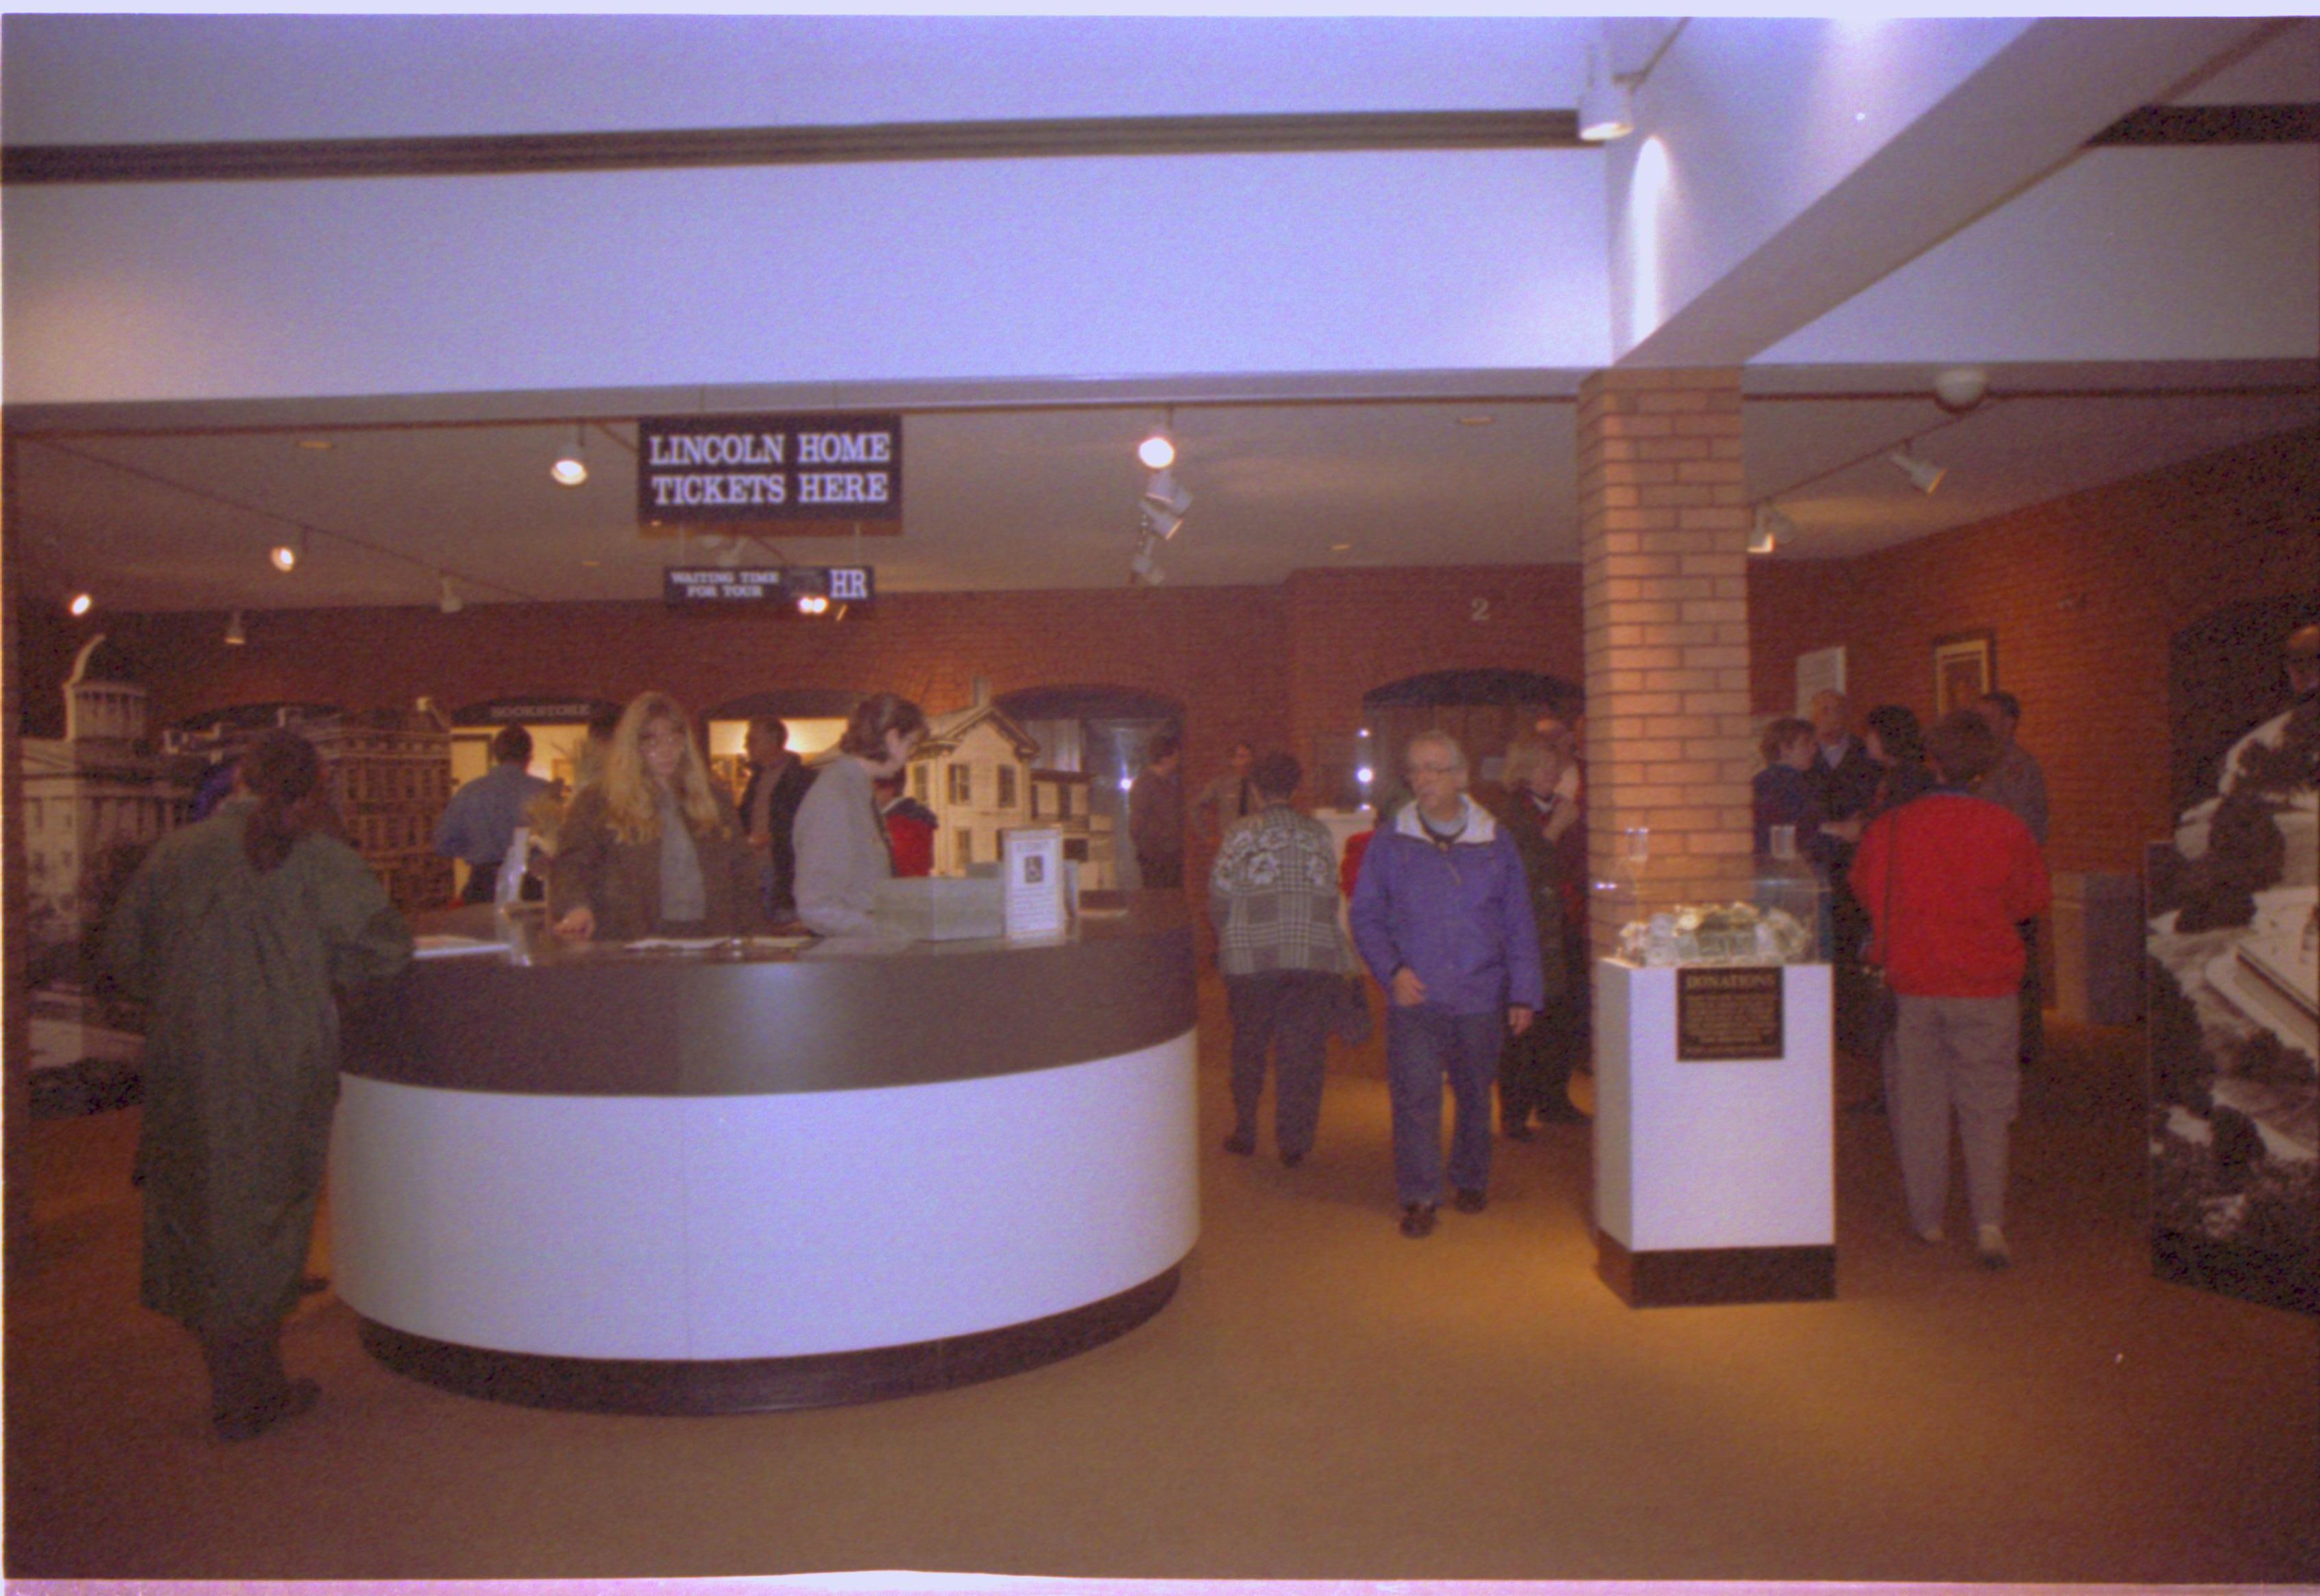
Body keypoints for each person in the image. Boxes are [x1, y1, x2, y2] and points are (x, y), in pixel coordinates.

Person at [104, 729, 413, 1441]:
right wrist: (336, 984)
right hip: (282, 1061)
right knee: (267, 1220)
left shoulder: (176, 855)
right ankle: (248, 1394)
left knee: (198, 1214)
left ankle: (245, 1381)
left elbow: (124, 958)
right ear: (315, 788)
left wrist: (182, 1000)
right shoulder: (322, 861)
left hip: (187, 1060)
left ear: (240, 777)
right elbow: (387, 949)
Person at [1852, 711, 2051, 1269]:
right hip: (1986, 987)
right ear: (1984, 769)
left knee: (1918, 1106)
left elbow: (1865, 890)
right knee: (1987, 1108)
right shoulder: (2006, 828)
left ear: (1931, 763)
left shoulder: (1892, 828)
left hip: (1913, 984)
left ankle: (1929, 1220)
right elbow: (2029, 901)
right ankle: (1989, 1224)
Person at [1351, 731, 1544, 1239]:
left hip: (1480, 993)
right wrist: (1391, 970)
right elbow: (1366, 916)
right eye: (1416, 769)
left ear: (1461, 776)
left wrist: (1524, 991)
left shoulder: (1495, 840)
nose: (1424, 779)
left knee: (1476, 1094)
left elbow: (1519, 920)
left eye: (1436, 769)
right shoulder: (1392, 841)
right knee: (1415, 1097)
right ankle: (1419, 1196)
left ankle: (1471, 1177)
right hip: (1416, 996)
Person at [1209, 752, 1356, 1168]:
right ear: (1296, 789)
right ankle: (1294, 1141)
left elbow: (1219, 896)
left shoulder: (1239, 833)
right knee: (1303, 1052)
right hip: (1312, 958)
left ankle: (1246, 1131)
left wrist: (1228, 937)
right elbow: (1330, 896)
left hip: (1251, 960)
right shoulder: (1318, 835)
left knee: (1249, 1045)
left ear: (1254, 791)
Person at [549, 692, 762, 941]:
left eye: (674, 740)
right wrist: (576, 908)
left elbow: (742, 872)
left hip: (711, 936)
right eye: (652, 743)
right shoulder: (598, 801)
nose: (666, 751)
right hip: (630, 937)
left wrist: (753, 936)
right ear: (633, 747)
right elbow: (572, 865)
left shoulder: (714, 799)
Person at [1488, 738, 1580, 1137]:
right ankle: (1514, 1113)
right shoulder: (1510, 814)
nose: (1555, 774)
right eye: (1546, 766)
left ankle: (1554, 1100)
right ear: (1524, 768)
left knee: (1560, 1024)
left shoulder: (1561, 810)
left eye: (1557, 766)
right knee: (1523, 1029)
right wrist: (1554, 833)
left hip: (1562, 927)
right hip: (1526, 934)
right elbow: (1517, 874)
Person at [792, 692, 929, 936]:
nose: (911, 755)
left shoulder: (855, 791)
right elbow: (816, 907)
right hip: (851, 960)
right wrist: (889, 932)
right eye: (911, 744)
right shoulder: (835, 796)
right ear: (892, 737)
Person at [1973, 690, 2051, 1066]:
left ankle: (2025, 1045)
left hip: (2010, 883)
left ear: (2010, 722)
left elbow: (2024, 828)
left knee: (2019, 964)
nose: (1982, 725)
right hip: (1981, 882)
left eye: (1989, 717)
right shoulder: (1978, 763)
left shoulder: (2019, 766)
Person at [434, 724, 552, 904]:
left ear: (496, 756)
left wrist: (476, 847)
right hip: (531, 884)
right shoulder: (545, 792)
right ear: (529, 757)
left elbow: (443, 844)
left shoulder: (469, 792)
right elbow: (562, 843)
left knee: (481, 930)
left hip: (483, 884)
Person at [737, 717, 816, 919]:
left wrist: (772, 838)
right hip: (758, 869)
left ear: (772, 741)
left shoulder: (800, 779)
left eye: (752, 739)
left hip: (785, 873)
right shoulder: (758, 778)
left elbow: (807, 826)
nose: (746, 745)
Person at [1752, 716, 1837, 866]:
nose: (1813, 750)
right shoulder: (1789, 784)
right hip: (1790, 873)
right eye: (1806, 744)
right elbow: (1797, 833)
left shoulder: (1761, 781)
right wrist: (1835, 831)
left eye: (1814, 744)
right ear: (1785, 748)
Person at [1128, 734, 1186, 889]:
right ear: (1164, 758)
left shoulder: (1168, 784)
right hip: (1156, 856)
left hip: (1171, 854)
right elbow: (1137, 824)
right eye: (1176, 756)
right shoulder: (1145, 785)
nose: (1178, 761)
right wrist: (1149, 850)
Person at [1193, 741, 1260, 843]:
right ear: (1232, 761)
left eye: (1249, 757)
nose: (1247, 761)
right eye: (1242, 757)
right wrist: (1206, 835)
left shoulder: (1261, 784)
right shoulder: (1221, 784)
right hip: (1229, 843)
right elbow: (1195, 806)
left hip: (1255, 842)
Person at [875, 772, 939, 878]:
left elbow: (901, 868)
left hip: (901, 890)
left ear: (889, 789)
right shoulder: (910, 818)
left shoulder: (903, 823)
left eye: (872, 789)